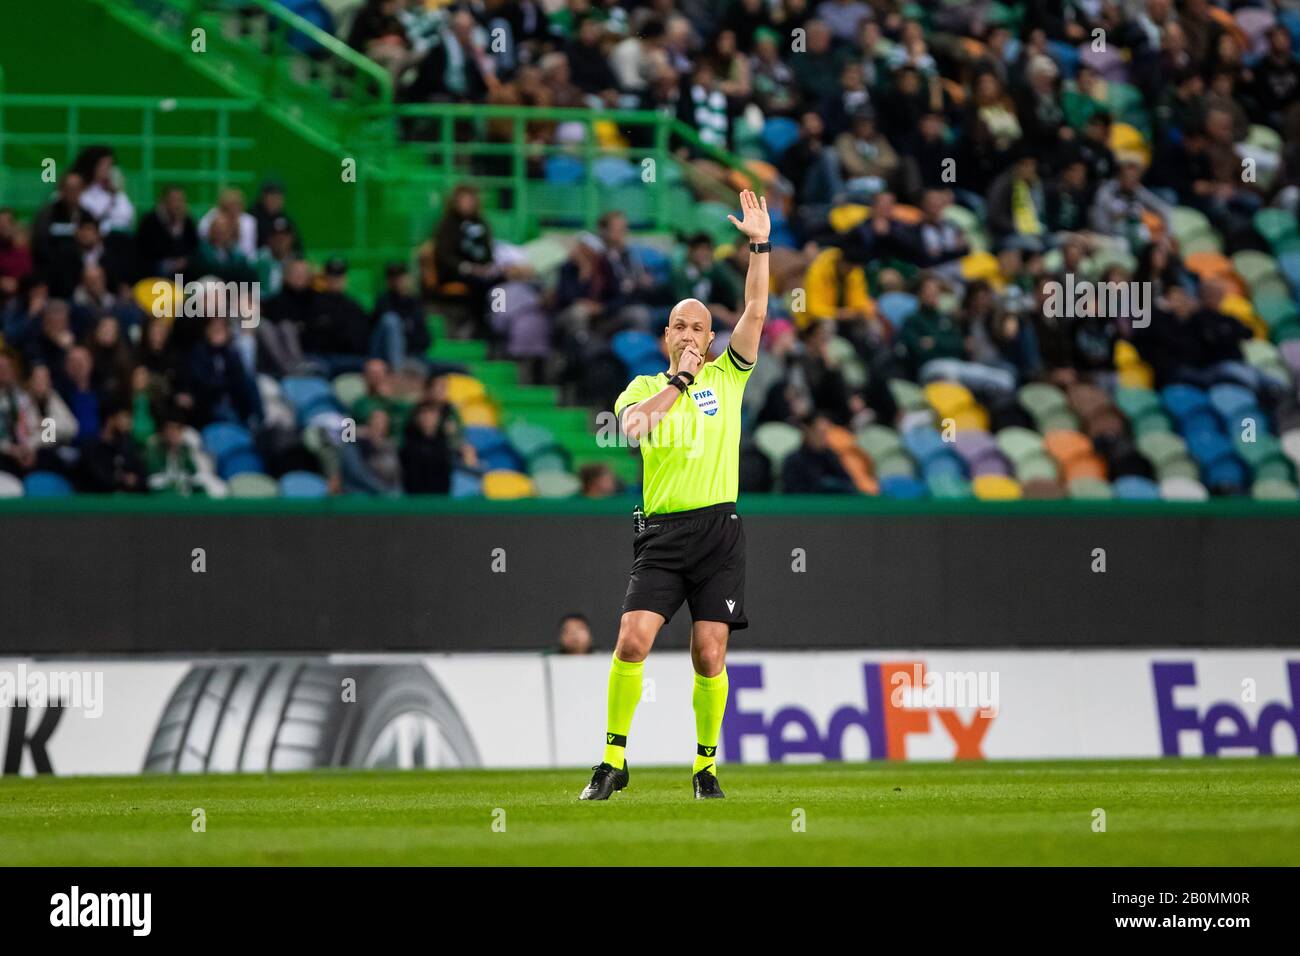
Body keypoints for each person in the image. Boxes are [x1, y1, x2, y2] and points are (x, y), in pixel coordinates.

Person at [579, 188, 770, 802]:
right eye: (680, 326)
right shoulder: (640, 387)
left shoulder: (728, 374)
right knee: (632, 639)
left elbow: (759, 310)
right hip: (661, 534)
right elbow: (634, 430)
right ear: (666, 335)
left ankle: (706, 768)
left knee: (709, 654)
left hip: (719, 531)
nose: (690, 334)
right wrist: (677, 382)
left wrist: (759, 246)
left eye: (700, 327)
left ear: (713, 338)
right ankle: (612, 761)